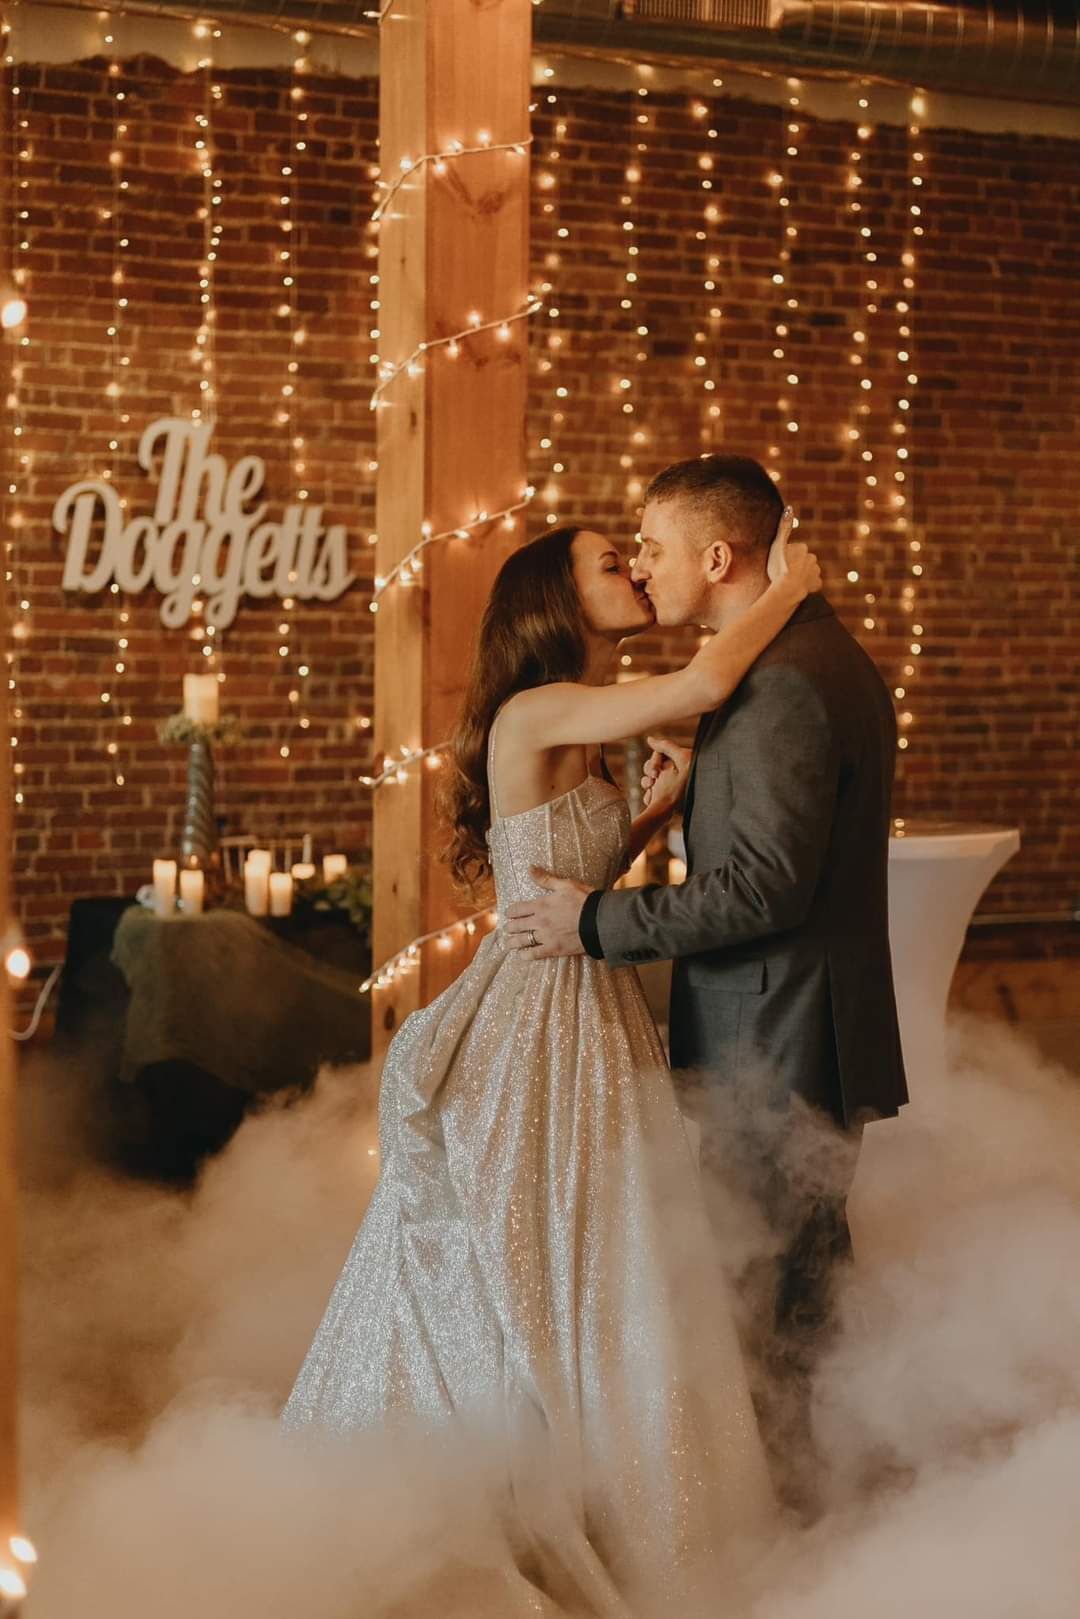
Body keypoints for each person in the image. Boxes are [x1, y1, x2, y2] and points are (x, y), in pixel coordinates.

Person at [283, 511, 822, 1613]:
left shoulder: (578, 717)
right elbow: (710, 682)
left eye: (628, 558)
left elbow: (560, 864)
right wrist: (791, 587)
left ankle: (611, 1478)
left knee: (598, 1247)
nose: (629, 569)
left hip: (591, 996)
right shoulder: (536, 707)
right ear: (552, 599)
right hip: (539, 1014)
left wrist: (648, 818)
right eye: (605, 563)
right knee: (535, 1249)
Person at [504, 455, 909, 1512]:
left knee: (770, 1288)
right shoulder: (796, 659)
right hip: (786, 1021)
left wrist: (594, 919)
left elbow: (761, 890)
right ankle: (809, 1495)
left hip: (777, 1030)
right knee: (790, 1275)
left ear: (716, 556)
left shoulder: (783, 680)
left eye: (651, 546)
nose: (643, 565)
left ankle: (786, 1517)